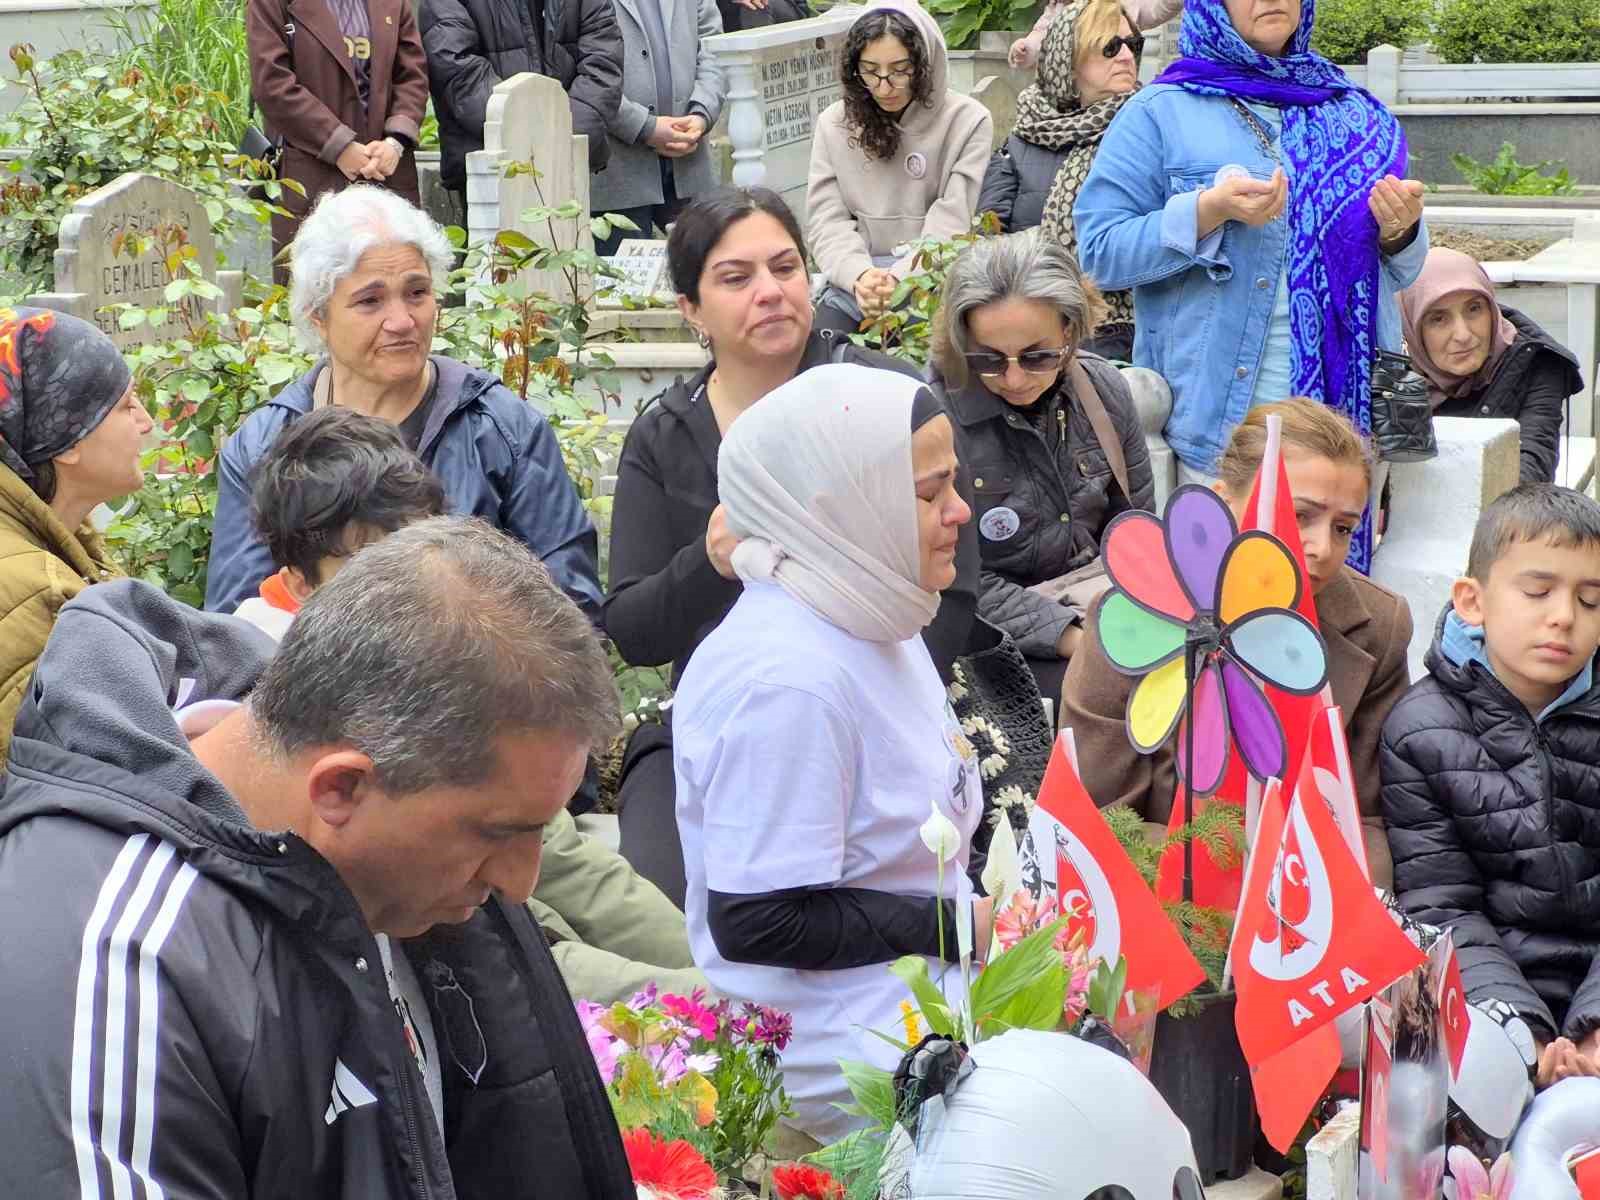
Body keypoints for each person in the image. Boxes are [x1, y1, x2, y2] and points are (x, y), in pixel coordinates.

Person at [0, 517, 635, 1197]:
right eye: (498, 834)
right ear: (341, 787)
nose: (521, 883)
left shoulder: (387, 805)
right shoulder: (119, 972)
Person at [239, 405, 708, 1003]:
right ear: (300, 584)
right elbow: (513, 952)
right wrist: (710, 1003)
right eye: (368, 568)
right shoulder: (290, 705)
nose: (408, 590)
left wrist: (717, 982)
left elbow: (572, 867)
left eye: (415, 553)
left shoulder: (438, 661)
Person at [602, 185, 979, 907]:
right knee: (674, 906)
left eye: (785, 267)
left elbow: (954, 584)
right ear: (690, 309)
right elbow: (634, 629)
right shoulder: (667, 435)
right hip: (718, 722)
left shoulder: (885, 397)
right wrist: (708, 564)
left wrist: (862, 700)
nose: (771, 293)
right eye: (736, 279)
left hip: (894, 694)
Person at [674, 362, 986, 1142]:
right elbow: (760, 920)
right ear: (837, 508)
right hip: (839, 1046)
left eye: (952, 484)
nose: (961, 512)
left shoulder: (866, 605)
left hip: (915, 987)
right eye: (928, 493)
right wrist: (957, 927)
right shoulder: (790, 679)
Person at [1074, 0, 1429, 571]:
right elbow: (1100, 251)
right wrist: (1206, 212)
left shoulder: (1353, 112)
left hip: (1346, 420)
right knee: (1227, 608)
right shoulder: (1161, 111)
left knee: (1329, 615)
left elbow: (1405, 269)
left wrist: (1400, 231)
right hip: (1224, 422)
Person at [205, 186, 602, 622]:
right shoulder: (264, 445)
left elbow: (572, 615)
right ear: (318, 316)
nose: (401, 321)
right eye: (370, 301)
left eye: (417, 293)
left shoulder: (503, 430)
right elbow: (233, 633)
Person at [1062, 399, 1412, 886]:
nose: (1322, 548)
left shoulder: (1378, 625)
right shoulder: (1132, 620)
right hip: (1170, 902)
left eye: (1343, 528)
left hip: (1313, 898)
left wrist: (1336, 908)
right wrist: (1233, 882)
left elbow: (1370, 818)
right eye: (1298, 516)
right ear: (1224, 500)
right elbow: (1101, 817)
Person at [1382, 483, 1600, 1090]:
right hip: (1491, 983)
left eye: (1591, 600)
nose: (1564, 616)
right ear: (1472, 601)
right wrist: (1525, 1034)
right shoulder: (1420, 729)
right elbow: (1441, 903)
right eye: (1538, 591)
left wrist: (1594, 1027)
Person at [930, 231, 1153, 703]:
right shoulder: (933, 419)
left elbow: (1138, 531)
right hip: (985, 641)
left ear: (1069, 331)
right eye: (987, 359)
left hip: (1101, 611)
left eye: (1037, 356)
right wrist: (1072, 637)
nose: (1013, 378)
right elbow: (949, 578)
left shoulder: (1104, 391)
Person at [0, 307, 153, 766]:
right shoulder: (43, 601)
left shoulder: (58, 536)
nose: (145, 422)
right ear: (67, 441)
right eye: (126, 406)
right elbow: (90, 783)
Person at [807, 0, 993, 338]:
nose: (883, 86)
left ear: (924, 64)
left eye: (900, 69)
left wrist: (900, 278)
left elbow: (951, 219)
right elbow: (826, 220)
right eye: (870, 70)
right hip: (855, 284)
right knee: (821, 356)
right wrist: (860, 277)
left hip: (933, 283)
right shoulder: (833, 123)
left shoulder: (968, 121)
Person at [979, 0, 1142, 360]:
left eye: (1134, 45)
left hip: (1122, 332)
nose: (1127, 56)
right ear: (1066, 58)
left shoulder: (1148, 129)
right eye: (1110, 47)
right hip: (1026, 331)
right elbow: (986, 242)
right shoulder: (1023, 138)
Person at [246, 0, 430, 264]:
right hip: (313, 171)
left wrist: (396, 141)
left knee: (396, 280)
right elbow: (272, 83)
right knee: (316, 287)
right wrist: (339, 145)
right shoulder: (272, 5)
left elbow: (412, 75)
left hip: (386, 172)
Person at [1399, 248, 1584, 486]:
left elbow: (1533, 465)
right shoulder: (1388, 377)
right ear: (1411, 327)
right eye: (1438, 319)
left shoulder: (1537, 362)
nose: (1463, 335)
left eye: (1474, 309)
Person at [419, 0, 622, 197]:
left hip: (569, 158)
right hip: (492, 166)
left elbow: (603, 63)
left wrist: (562, 136)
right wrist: (532, 139)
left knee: (571, 229)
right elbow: (458, 71)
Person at [590, 0, 726, 258]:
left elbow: (713, 47)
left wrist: (701, 113)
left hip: (689, 163)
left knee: (706, 271)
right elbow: (580, 72)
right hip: (616, 172)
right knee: (622, 287)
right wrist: (644, 126)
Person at [1009, 0, 1182, 69]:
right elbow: (1041, 35)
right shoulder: (1062, 8)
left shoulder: (1125, 4)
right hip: (1078, 89)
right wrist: (1025, 49)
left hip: (1118, 86)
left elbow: (1157, 9)